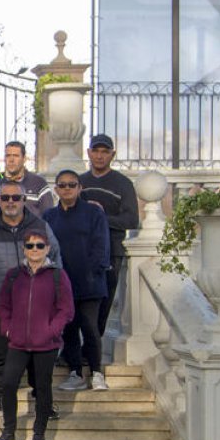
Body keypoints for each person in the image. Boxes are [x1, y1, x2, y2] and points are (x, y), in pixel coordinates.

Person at [0, 177, 62, 420]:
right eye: (6, 198)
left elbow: (56, 264)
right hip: (2, 307)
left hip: (38, 308)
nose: (11, 202)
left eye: (16, 197)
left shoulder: (40, 227)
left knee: (40, 358)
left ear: (24, 200)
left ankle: (43, 400)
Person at [0, 229, 74, 440]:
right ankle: (9, 432)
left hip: (46, 343)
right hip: (18, 342)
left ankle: (39, 433)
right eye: (30, 245)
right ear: (24, 249)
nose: (34, 249)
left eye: (39, 245)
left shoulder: (57, 275)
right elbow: (4, 304)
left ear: (47, 248)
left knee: (43, 387)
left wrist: (51, 330)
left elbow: (66, 309)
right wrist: (8, 329)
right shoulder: (14, 275)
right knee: (8, 383)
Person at [45, 170, 111, 393]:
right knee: (69, 329)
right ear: (56, 190)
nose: (67, 189)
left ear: (79, 188)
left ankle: (96, 372)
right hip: (62, 282)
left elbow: (101, 245)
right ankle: (75, 371)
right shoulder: (49, 217)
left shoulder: (93, 212)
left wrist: (94, 272)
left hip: (90, 282)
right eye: (62, 185)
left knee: (90, 328)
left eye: (71, 185)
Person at [79, 134, 139, 337]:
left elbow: (131, 220)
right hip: (81, 251)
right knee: (77, 302)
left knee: (103, 302)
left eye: (105, 151)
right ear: (88, 153)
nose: (99, 156)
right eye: (95, 151)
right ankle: (73, 352)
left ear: (113, 154)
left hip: (111, 251)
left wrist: (101, 217)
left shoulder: (123, 184)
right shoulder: (79, 182)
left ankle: (92, 350)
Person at [0, 140, 55, 217]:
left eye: (16, 156)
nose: (11, 160)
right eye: (8, 156)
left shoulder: (39, 183)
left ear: (24, 159)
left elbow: (49, 215)